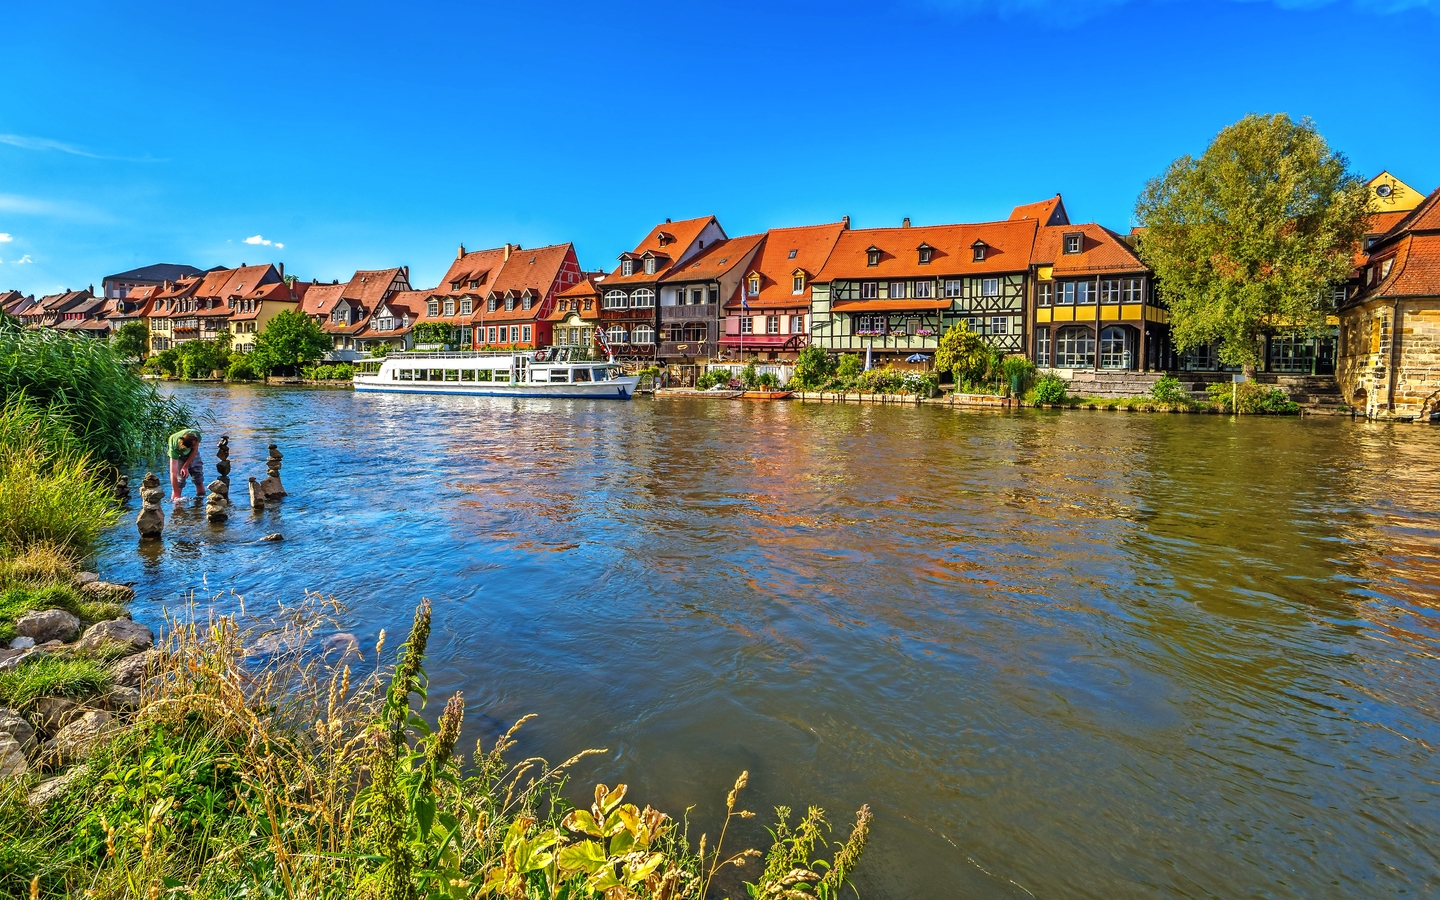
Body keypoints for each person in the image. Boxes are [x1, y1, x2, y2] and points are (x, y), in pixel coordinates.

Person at [168, 427, 204, 501]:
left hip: (193, 454)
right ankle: (176, 504)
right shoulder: (174, 448)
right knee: (179, 481)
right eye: (193, 445)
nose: (196, 445)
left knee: (198, 478)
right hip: (180, 457)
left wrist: (185, 466)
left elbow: (195, 450)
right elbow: (173, 473)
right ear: (186, 447)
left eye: (196, 443)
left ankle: (201, 502)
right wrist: (176, 493)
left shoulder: (196, 434)